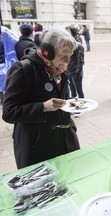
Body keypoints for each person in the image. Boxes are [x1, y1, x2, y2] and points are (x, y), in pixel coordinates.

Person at [2, 28, 80, 169]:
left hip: (66, 140)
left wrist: (71, 103)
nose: (67, 61)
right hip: (38, 146)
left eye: (70, 55)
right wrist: (42, 107)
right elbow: (9, 112)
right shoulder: (23, 70)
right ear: (47, 51)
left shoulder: (59, 69)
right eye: (63, 55)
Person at [66, 24, 85, 109]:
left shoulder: (78, 44)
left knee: (79, 91)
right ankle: (74, 106)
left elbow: (80, 60)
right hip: (69, 71)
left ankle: (81, 108)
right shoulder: (69, 43)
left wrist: (77, 72)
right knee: (72, 91)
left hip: (75, 72)